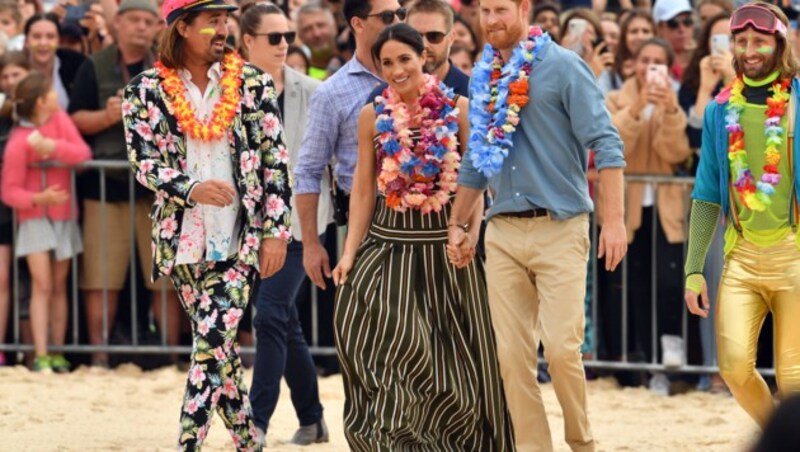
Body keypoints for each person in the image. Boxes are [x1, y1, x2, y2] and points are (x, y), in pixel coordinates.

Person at [447, 0, 627, 449]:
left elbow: (606, 144)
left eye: (500, 10)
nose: (491, 21)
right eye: (484, 11)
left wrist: (615, 222)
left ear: (524, 7)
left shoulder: (565, 67)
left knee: (564, 352)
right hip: (503, 228)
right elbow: (474, 161)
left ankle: (582, 442)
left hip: (561, 226)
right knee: (511, 357)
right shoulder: (482, 75)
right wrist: (459, 224)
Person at [332, 22, 514, 450]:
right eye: (387, 63)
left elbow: (476, 184)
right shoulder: (371, 115)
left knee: (456, 367)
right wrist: (349, 253)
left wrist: (470, 232)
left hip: (447, 254)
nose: (396, 69)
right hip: (390, 251)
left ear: (423, 58)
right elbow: (362, 189)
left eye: (404, 59)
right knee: (396, 355)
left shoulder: (460, 109)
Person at [122, 0, 292, 447]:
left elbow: (276, 163)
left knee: (211, 340)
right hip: (181, 240)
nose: (223, 28)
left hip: (240, 238)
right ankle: (249, 442)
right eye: (211, 21)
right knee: (217, 351)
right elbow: (143, 164)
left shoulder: (253, 83)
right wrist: (189, 187)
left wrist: (276, 232)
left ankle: (188, 444)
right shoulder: (143, 90)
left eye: (225, 19)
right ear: (181, 28)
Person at [685, 2, 800, 428]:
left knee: (793, 378)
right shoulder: (719, 110)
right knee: (733, 368)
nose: (749, 50)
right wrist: (694, 269)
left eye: (760, 41)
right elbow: (706, 193)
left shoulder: (798, 102)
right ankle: (781, 435)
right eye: (742, 41)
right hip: (743, 257)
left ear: (779, 44)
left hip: (795, 255)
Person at [239, 2, 331, 445]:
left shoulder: (314, 92)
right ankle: (313, 418)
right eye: (274, 37)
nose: (283, 45)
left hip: (300, 223)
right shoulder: (228, 94)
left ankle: (255, 422)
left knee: (270, 314)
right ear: (247, 42)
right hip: (247, 226)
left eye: (287, 37)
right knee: (286, 321)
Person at [68, 0, 177, 369]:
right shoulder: (93, 66)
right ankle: (98, 357)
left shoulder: (167, 68)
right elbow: (75, 120)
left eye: (149, 21)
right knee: (101, 277)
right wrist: (109, 115)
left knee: (165, 276)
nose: (142, 27)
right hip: (107, 187)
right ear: (116, 23)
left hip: (158, 190)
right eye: (134, 19)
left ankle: (171, 354)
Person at [605, 38, 693, 394]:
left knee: (670, 281)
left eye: (658, 61)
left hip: (666, 205)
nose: (650, 68)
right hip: (626, 207)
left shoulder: (674, 103)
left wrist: (670, 114)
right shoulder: (616, 99)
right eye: (645, 60)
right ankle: (646, 365)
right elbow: (613, 142)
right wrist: (639, 107)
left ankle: (671, 352)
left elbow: (675, 152)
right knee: (636, 286)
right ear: (634, 63)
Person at [293, 0, 401, 291]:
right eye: (388, 16)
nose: (398, 22)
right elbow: (308, 170)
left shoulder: (419, 79)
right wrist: (311, 244)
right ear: (358, 23)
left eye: (402, 14)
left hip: (424, 220)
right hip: (365, 223)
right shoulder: (331, 93)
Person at [1, 72, 91, 373]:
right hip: (34, 219)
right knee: (42, 285)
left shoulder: (60, 121)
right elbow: (9, 190)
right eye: (51, 92)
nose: (56, 95)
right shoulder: (17, 140)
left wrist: (53, 148)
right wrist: (39, 198)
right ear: (41, 100)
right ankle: (41, 353)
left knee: (58, 286)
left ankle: (56, 350)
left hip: (64, 215)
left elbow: (82, 154)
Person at [365, 0, 471, 102]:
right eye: (416, 36)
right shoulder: (381, 97)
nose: (424, 45)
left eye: (434, 36)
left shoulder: (472, 92)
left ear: (451, 38)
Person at [0, 51, 30, 366]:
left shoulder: (41, 111)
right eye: (5, 76)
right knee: (3, 277)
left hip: (33, 206)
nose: (10, 82)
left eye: (16, 74)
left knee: (33, 282)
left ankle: (34, 350)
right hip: (5, 208)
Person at [23, 13, 85, 109]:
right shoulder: (14, 67)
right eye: (36, 37)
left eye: (50, 37)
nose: (43, 43)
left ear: (58, 41)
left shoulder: (76, 63)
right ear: (26, 41)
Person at [598, 9, 655, 94]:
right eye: (634, 31)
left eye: (646, 31)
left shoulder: (665, 68)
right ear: (624, 37)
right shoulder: (610, 74)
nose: (640, 37)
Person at [295, 2, 340, 80]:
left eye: (321, 25)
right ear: (300, 36)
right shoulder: (300, 74)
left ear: (334, 27)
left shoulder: (355, 58)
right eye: (307, 29)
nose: (316, 34)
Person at [653, 0, 694, 81]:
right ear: (659, 28)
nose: (682, 29)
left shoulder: (702, 59)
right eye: (673, 23)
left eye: (687, 21)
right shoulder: (652, 61)